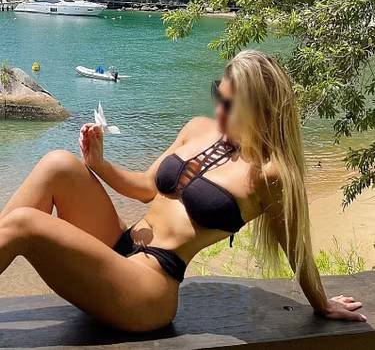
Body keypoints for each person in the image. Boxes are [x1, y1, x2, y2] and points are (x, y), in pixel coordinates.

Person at [0, 50, 366, 332]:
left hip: (147, 289)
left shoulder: (270, 175)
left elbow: (296, 248)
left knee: (24, 225)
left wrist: (321, 303)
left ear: (260, 110)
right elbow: (146, 188)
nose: (219, 112)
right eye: (217, 96)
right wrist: (98, 164)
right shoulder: (198, 128)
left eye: (231, 106)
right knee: (57, 163)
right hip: (119, 246)